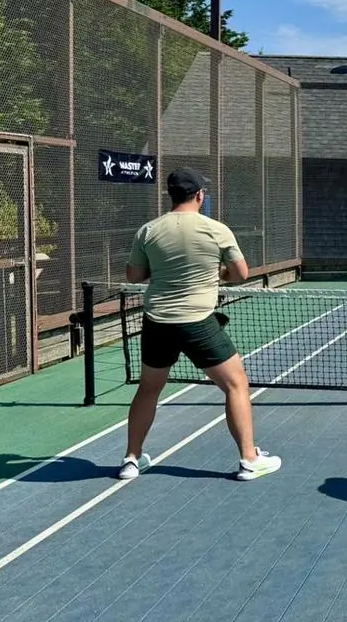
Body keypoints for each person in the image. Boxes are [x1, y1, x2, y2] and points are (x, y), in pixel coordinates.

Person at [120, 168, 281, 482]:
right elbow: (241, 274)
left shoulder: (148, 231)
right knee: (236, 385)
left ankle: (131, 460)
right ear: (199, 196)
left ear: (171, 195)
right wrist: (216, 275)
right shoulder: (217, 230)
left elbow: (134, 277)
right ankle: (250, 460)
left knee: (148, 389)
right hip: (198, 323)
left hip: (157, 324)